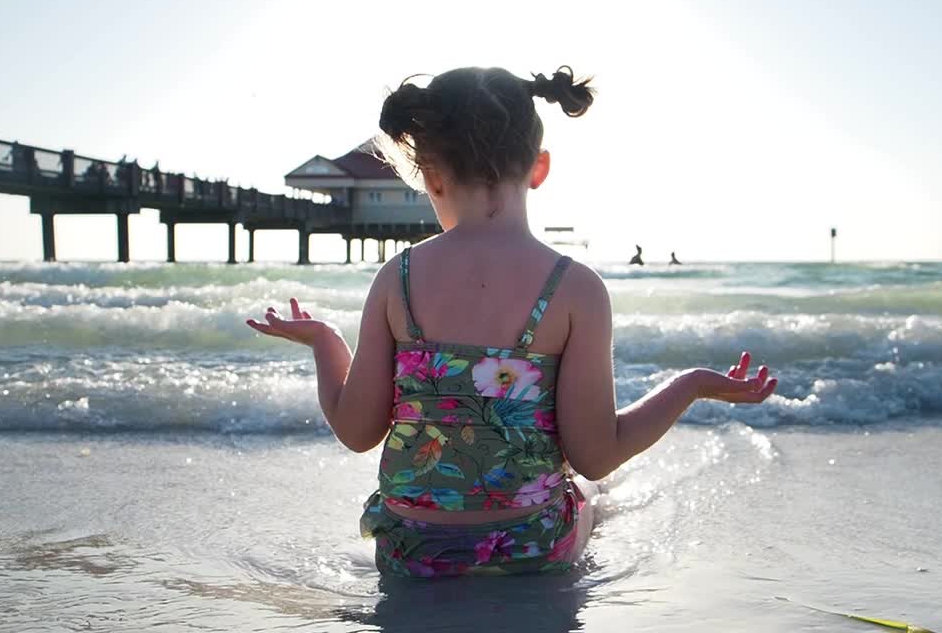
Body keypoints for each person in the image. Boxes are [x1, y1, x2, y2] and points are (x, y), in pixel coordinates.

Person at [246, 65, 778, 577]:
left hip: (410, 550)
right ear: (539, 168)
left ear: (431, 178)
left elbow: (357, 431)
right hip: (530, 549)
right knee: (594, 491)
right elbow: (595, 454)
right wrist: (693, 385)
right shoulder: (574, 288)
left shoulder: (398, 278)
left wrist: (324, 340)